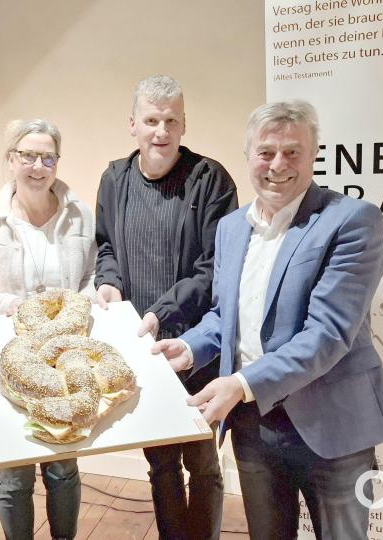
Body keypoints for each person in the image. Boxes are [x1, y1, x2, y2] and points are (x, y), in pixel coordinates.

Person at [154, 100, 383, 539]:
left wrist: (238, 383)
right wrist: (191, 347)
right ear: (249, 155)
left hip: (332, 423)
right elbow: (225, 316)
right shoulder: (232, 227)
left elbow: (328, 334)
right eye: (266, 152)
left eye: (293, 152)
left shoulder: (351, 220)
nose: (278, 165)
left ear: (313, 155)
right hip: (253, 425)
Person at [94, 75, 236, 540]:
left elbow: (211, 268)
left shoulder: (211, 180)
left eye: (171, 120)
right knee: (160, 463)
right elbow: (106, 246)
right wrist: (110, 283)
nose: (161, 130)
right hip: (142, 348)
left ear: (183, 125)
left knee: (203, 463)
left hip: (194, 346)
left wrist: (160, 313)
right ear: (133, 124)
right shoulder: (114, 178)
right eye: (152, 120)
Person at [0, 118, 93, 540]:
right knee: (14, 472)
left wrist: (81, 307)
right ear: (11, 160)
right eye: (28, 156)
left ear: (57, 161)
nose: (38, 166)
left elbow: (92, 277)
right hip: (9, 358)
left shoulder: (80, 214)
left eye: (47, 157)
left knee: (63, 465)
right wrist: (10, 306)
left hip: (63, 358)